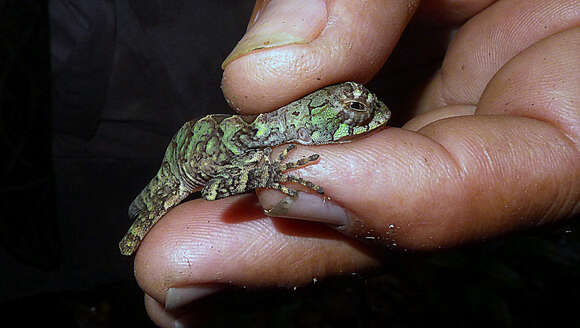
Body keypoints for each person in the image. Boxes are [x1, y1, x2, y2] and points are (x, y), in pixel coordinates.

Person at [127, 1, 579, 326]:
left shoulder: (280, 122)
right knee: (133, 241)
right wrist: (266, 173)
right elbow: (213, 190)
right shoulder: (260, 142)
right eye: (351, 114)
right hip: (178, 167)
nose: (367, 116)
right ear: (319, 125)